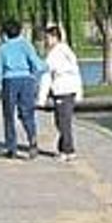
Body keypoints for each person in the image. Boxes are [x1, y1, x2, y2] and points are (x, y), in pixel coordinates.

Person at [0, 20, 47, 159]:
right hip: (26, 81)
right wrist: (43, 69)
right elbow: (35, 62)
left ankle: (11, 147)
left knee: (9, 115)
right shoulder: (26, 45)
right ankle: (32, 140)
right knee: (27, 113)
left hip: (9, 81)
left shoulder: (2, 48)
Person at [37, 25, 84, 161]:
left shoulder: (54, 54)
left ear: (54, 37)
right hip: (70, 90)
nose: (46, 41)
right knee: (64, 121)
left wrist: (41, 98)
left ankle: (67, 150)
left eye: (47, 38)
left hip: (62, 90)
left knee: (62, 122)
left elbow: (46, 76)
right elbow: (77, 73)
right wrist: (79, 92)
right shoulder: (68, 51)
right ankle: (64, 148)